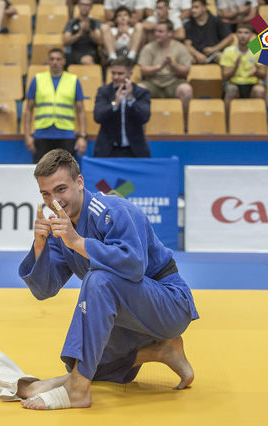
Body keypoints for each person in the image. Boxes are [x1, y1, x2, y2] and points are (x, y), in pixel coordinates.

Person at [17, 149, 199, 410]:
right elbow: (44, 290)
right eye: (45, 194)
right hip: (131, 318)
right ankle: (160, 350)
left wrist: (78, 242)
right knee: (90, 363)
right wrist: (39, 245)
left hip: (169, 303)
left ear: (80, 182)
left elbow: (134, 267)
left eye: (61, 189)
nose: (54, 200)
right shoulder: (63, 228)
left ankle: (77, 388)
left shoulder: (114, 209)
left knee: (99, 279)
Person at [24, 48, 87, 163]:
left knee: (66, 171)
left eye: (58, 59)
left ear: (64, 61)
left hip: (66, 135)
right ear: (48, 61)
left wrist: (82, 136)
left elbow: (81, 110)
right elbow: (28, 109)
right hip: (42, 135)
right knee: (41, 171)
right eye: (52, 59)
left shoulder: (73, 80)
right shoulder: (37, 79)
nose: (55, 62)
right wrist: (27, 135)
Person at [138, 20, 193, 129]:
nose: (156, 34)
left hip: (174, 82)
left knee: (186, 90)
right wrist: (159, 67)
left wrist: (173, 65)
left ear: (170, 33)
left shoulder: (180, 48)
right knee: (139, 89)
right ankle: (141, 126)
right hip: (153, 83)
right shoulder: (148, 48)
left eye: (160, 31)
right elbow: (143, 70)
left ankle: (185, 124)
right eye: (155, 31)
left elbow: (186, 71)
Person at [93, 56, 150, 157]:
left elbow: (144, 117)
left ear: (130, 73)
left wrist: (130, 99)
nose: (115, 77)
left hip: (135, 151)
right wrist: (115, 104)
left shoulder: (141, 92)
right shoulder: (103, 91)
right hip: (108, 151)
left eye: (120, 73)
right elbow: (98, 117)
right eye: (113, 73)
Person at [220, 22, 265, 117]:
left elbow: (264, 75)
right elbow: (225, 77)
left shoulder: (261, 50)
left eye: (246, 33)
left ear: (251, 35)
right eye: (240, 32)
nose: (242, 36)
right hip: (235, 84)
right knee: (230, 90)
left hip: (252, 84)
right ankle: (227, 123)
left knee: (260, 90)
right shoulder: (228, 51)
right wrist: (235, 66)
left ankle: (259, 121)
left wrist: (256, 72)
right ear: (236, 34)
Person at [184, 0, 233, 64]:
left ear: (204, 8)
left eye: (196, 7)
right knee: (188, 59)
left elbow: (229, 38)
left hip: (215, 53)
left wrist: (214, 49)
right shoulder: (188, 24)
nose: (193, 10)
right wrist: (197, 54)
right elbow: (187, 44)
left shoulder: (216, 21)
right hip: (197, 55)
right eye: (192, 8)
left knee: (223, 57)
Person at [62, 0, 103, 66]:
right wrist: (80, 33)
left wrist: (89, 31)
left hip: (92, 52)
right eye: (82, 4)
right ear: (78, 5)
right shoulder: (72, 22)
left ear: (91, 7)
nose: (84, 7)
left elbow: (100, 41)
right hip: (76, 52)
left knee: (88, 59)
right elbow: (65, 41)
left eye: (87, 5)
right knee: (86, 60)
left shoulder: (96, 22)